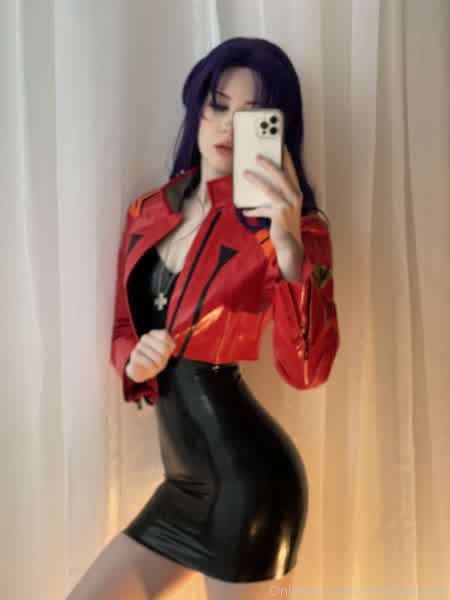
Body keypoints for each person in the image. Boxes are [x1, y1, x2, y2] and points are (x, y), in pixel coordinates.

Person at [67, 36, 339, 600]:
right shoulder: (150, 210)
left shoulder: (294, 231)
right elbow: (124, 329)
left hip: (252, 487)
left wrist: (290, 250)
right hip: (182, 488)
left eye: (251, 115)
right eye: (217, 105)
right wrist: (136, 361)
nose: (227, 126)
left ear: (276, 129)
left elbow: (307, 371)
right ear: (196, 109)